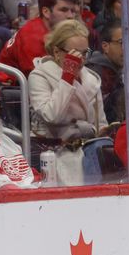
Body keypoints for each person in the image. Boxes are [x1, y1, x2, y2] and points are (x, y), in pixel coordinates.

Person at [28, 19, 107, 185]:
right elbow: (51, 116)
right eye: (74, 54)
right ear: (57, 52)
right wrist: (67, 78)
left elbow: (100, 124)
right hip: (53, 154)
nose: (81, 60)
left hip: (88, 152)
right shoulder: (39, 75)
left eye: (84, 53)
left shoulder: (91, 80)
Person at [0, 0, 79, 76]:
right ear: (46, 12)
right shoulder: (32, 36)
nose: (70, 16)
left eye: (73, 11)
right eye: (64, 10)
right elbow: (38, 77)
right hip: (12, 86)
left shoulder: (60, 31)